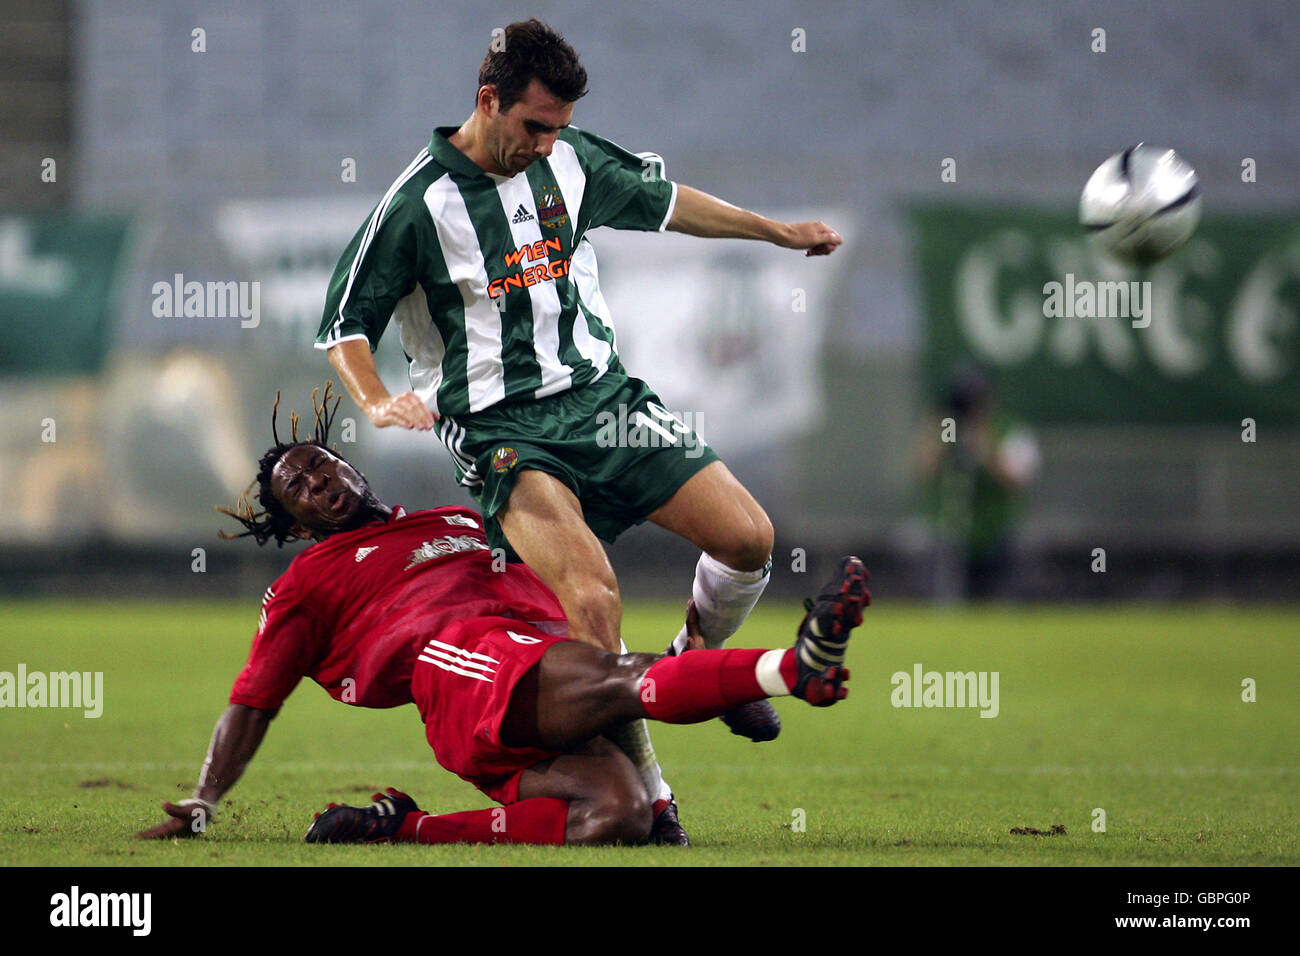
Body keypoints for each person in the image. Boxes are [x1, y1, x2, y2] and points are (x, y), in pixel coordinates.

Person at [315, 18, 843, 839]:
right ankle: (658, 802)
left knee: (749, 539)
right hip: (502, 431)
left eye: (558, 128)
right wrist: (378, 397)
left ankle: (681, 667)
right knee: (593, 601)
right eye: (534, 126)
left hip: (604, 404)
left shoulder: (568, 157)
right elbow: (344, 323)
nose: (547, 143)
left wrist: (779, 232)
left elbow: (670, 205)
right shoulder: (418, 203)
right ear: (488, 101)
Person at [135, 389, 871, 847]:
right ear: (295, 524)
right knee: (617, 677)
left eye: (322, 463)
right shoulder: (310, 580)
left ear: (354, 468)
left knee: (616, 817)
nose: (318, 480)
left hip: (536, 668)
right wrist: (205, 797)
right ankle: (788, 669)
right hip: (460, 671)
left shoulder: (459, 517)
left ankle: (403, 829)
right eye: (299, 485)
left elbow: (571, 587)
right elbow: (254, 699)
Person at [914, 367, 1041, 600]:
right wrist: (939, 429)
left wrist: (985, 444)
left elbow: (1017, 479)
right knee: (948, 603)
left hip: (997, 532)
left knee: (1001, 604)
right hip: (954, 534)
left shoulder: (1009, 429)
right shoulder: (949, 430)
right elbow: (924, 472)